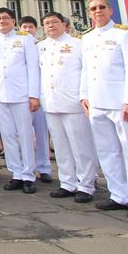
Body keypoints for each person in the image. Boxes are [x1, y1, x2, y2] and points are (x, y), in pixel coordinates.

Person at [80, 0, 128, 218]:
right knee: (107, 151)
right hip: (97, 103)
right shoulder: (88, 37)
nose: (97, 11)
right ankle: (118, 194)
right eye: (93, 9)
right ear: (89, 13)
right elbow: (85, 70)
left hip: (120, 103)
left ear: (110, 10)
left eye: (102, 7)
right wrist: (84, 96)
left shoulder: (124, 34)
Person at [38, 12, 96, 203]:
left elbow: (87, 71)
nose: (50, 26)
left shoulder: (78, 44)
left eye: (54, 22)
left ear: (65, 25)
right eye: (46, 23)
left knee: (80, 145)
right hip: (51, 101)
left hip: (73, 102)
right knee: (60, 145)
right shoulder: (41, 46)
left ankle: (86, 184)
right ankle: (67, 182)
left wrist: (85, 96)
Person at [0, 7, 40, 194]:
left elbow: (33, 68)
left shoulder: (25, 39)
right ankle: (16, 173)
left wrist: (34, 95)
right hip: (0, 95)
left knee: (25, 135)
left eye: (5, 18)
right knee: (7, 136)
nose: (1, 21)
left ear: (13, 21)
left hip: (21, 95)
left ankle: (29, 175)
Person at [19, 16, 52, 183]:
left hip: (42, 96)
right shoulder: (17, 46)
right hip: (23, 96)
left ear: (36, 29)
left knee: (41, 133)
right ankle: (26, 167)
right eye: (24, 27)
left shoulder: (43, 46)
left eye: (30, 27)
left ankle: (44, 167)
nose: (27, 30)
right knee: (24, 135)